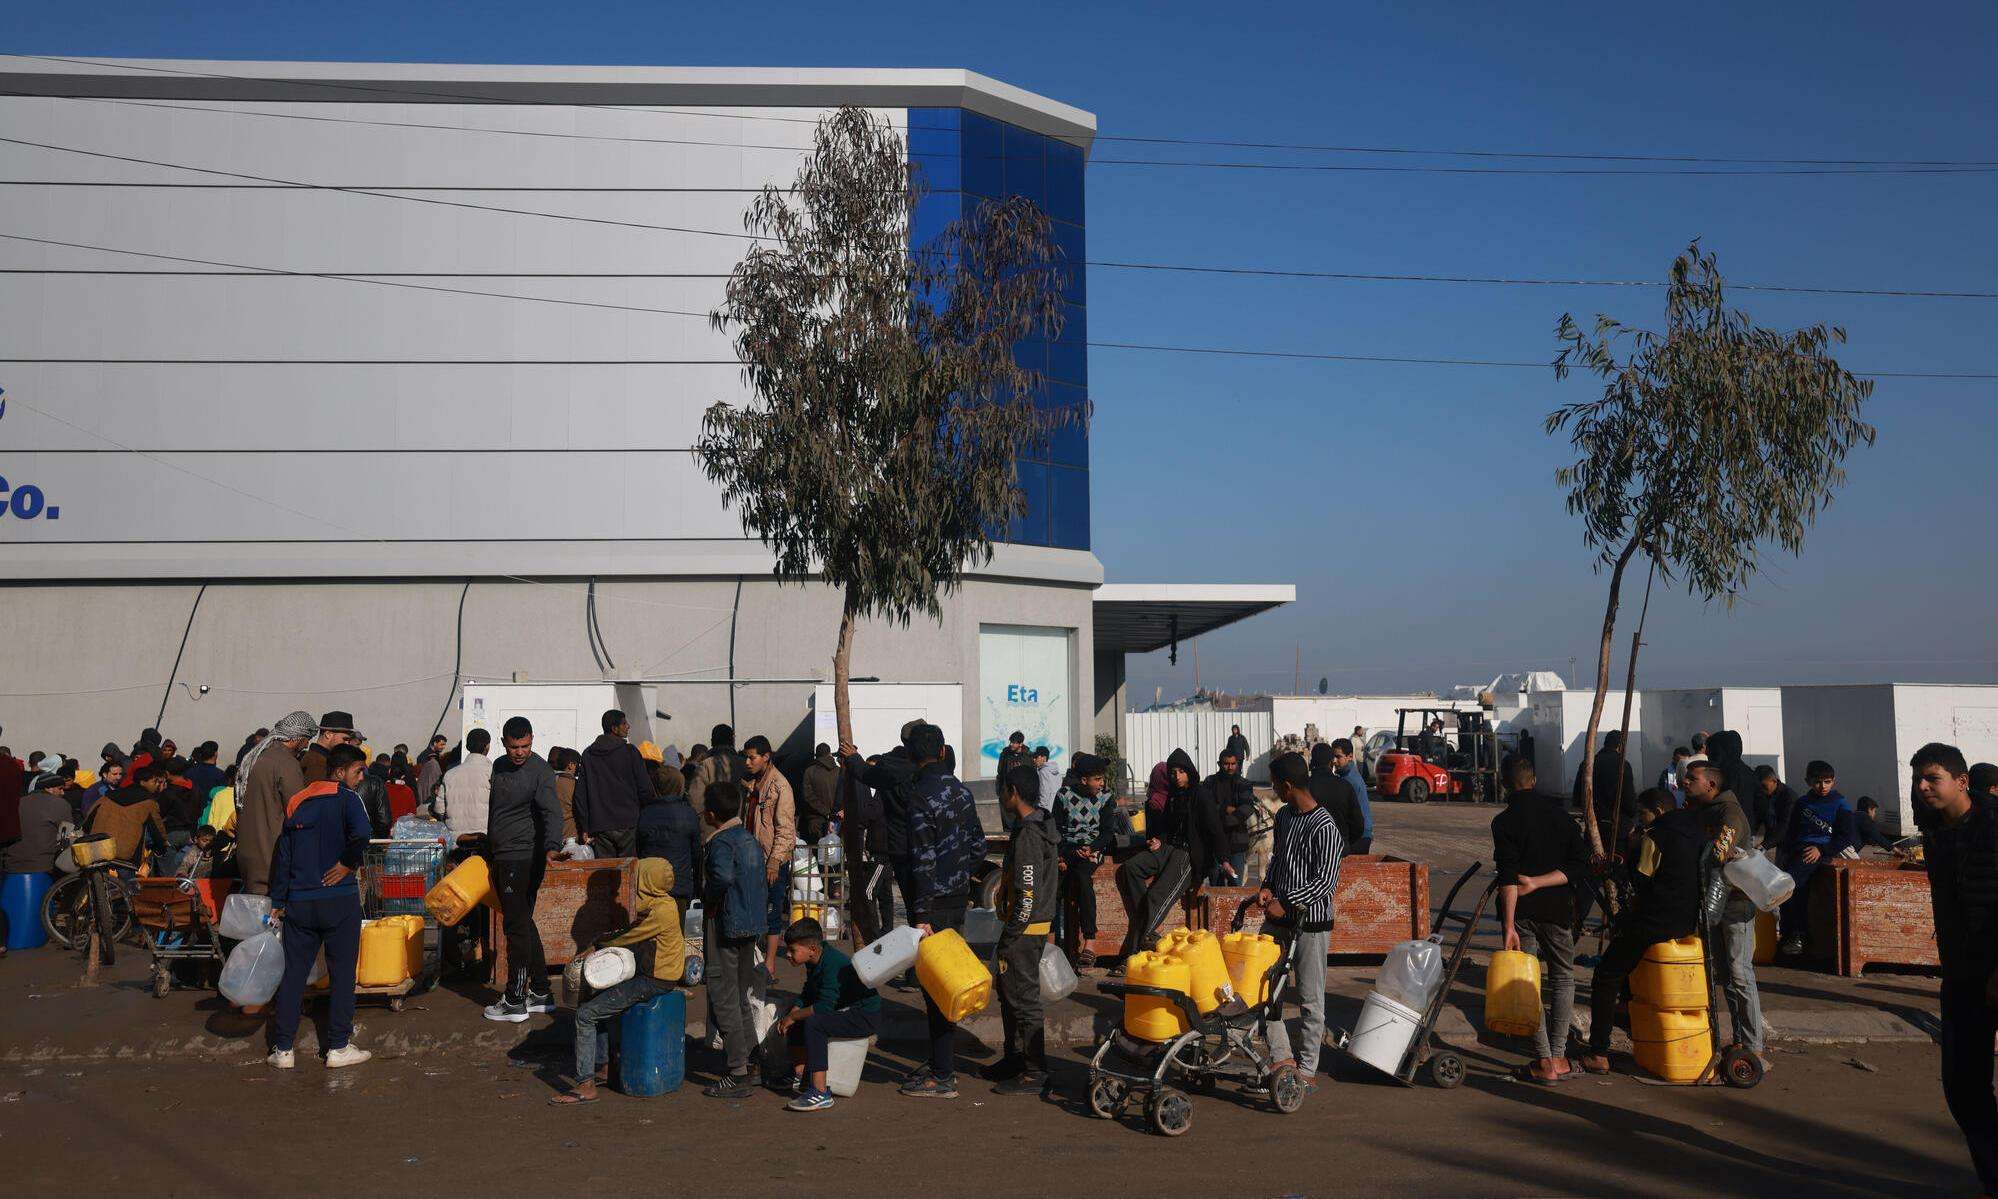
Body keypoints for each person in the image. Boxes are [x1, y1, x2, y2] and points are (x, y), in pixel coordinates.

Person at [1911, 742, 1998, 1194]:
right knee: (1962, 1086)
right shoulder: (1936, 831)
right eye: (1918, 779)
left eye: (1932, 778)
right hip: (1962, 974)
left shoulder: (1993, 824)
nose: (1923, 787)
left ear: (1962, 781)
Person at [1576, 791, 1706, 1076]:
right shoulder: (1696, 831)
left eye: (1643, 813)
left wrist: (1615, 870)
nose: (1640, 819)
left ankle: (1598, 1051)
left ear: (1658, 811)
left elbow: (1640, 881)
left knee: (1607, 974)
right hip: (1685, 921)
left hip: (1654, 920)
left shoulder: (1655, 837)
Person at [267, 743, 373, 1070]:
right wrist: (346, 863)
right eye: (358, 771)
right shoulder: (347, 799)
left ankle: (283, 1049)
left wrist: (278, 901)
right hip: (338, 900)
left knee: (293, 974)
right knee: (342, 973)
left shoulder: (298, 801)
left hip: (299, 901)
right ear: (339, 772)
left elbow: (282, 856)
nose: (360, 778)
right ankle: (338, 1047)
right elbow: (364, 834)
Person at [549, 857, 685, 1106]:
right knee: (594, 998)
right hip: (651, 972)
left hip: (655, 979)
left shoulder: (661, 911)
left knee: (585, 1015)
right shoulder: (661, 902)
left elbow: (629, 936)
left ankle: (585, 1085)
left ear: (646, 881)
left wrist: (596, 945)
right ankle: (603, 1066)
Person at [1490, 755, 1587, 1084]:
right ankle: (1559, 1057)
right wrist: (1542, 881)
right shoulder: (1561, 818)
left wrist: (1507, 925)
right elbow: (1580, 864)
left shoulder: (1504, 823)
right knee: (1563, 979)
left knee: (1528, 984)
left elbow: (1507, 879)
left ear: (1505, 783)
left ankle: (1544, 1060)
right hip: (1559, 911)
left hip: (1523, 915)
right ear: (1534, 780)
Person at [900, 722, 985, 1099]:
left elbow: (922, 859)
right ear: (942, 750)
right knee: (946, 981)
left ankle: (942, 1073)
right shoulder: (961, 791)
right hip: (957, 899)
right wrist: (962, 876)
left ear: (912, 756)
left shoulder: (919, 795)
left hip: (931, 905)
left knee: (935, 987)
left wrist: (920, 914)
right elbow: (979, 846)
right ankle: (941, 1064)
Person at [1258, 752, 1343, 1091]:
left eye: (1275, 783)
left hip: (1311, 925)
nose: (1273, 788)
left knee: (1309, 1000)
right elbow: (1278, 860)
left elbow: (1325, 884)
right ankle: (1282, 1060)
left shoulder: (1326, 827)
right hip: (1277, 921)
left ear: (1288, 785)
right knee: (1265, 990)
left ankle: (1307, 1071)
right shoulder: (1285, 818)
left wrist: (1288, 903)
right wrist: (1267, 888)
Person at [1682, 761, 1768, 1070]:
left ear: (1711, 785)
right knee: (1726, 974)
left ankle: (1754, 1046)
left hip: (1736, 903)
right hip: (1714, 904)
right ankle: (1741, 1039)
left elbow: (1717, 853)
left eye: (1692, 778)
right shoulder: (1702, 810)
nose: (1685, 782)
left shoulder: (1728, 813)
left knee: (1740, 972)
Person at [482, 717, 563, 1023]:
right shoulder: (500, 765)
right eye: (514, 746)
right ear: (504, 742)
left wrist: (553, 845)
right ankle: (541, 992)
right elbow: (495, 809)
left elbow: (551, 811)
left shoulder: (540, 771)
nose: (519, 752)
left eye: (525, 746)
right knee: (522, 922)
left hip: (524, 856)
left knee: (515, 926)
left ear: (532, 740)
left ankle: (515, 999)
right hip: (502, 853)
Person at [985, 763, 1059, 1095]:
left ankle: (1034, 1069)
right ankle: (1015, 1058)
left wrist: (1013, 933)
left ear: (1013, 792)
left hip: (1025, 929)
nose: (1001, 796)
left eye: (1003, 790)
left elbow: (1028, 892)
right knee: (1009, 992)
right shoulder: (1033, 825)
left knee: (1024, 997)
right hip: (1027, 925)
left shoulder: (1030, 833)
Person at [701, 780, 767, 1100]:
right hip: (750, 925)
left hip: (725, 924)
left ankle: (738, 1071)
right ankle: (751, 1059)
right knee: (739, 994)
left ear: (710, 814)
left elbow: (722, 878)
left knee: (724, 995)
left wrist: (710, 898)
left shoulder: (721, 843)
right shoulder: (749, 839)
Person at [774, 915, 881, 1112]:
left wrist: (794, 1016)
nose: (787, 954)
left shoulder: (833, 964)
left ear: (812, 949)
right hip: (846, 1009)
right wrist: (793, 1012)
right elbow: (809, 992)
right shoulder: (814, 959)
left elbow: (824, 1007)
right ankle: (799, 1075)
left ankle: (820, 1091)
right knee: (797, 1016)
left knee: (815, 1023)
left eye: (792, 950)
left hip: (864, 1015)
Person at [1117, 748, 1206, 957]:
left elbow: (1202, 830)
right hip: (1163, 848)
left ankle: (1134, 947)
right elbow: (1160, 830)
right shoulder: (1161, 800)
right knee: (1136, 876)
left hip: (1180, 853)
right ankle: (1146, 920)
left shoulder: (1188, 796)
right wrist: (1157, 839)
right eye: (1171, 774)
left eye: (1178, 773)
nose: (1175, 778)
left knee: (1155, 897)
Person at [1776, 759, 1856, 957]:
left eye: (1827, 782)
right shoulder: (1802, 803)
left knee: (1791, 885)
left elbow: (1846, 836)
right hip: (1798, 852)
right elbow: (1792, 831)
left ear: (1833, 781)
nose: (1823, 787)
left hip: (1821, 852)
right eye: (1818, 782)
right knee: (1785, 889)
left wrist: (1822, 849)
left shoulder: (1840, 803)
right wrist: (1785, 853)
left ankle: (1797, 935)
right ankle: (1790, 935)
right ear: (1808, 781)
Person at [237, 714, 317, 895]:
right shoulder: (286, 763)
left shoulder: (254, 757)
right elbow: (297, 810)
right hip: (271, 853)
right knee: (268, 918)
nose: (306, 745)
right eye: (307, 740)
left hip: (247, 852)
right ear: (298, 738)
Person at [740, 734, 799, 969]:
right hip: (751, 857)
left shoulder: (780, 786)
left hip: (770, 861)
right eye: (746, 758)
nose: (747, 762)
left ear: (766, 757)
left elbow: (786, 829)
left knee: (772, 912)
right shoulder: (753, 783)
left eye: (751, 758)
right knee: (753, 909)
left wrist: (774, 861)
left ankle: (771, 963)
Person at [2, 768, 75, 953]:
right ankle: (64, 917)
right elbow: (68, 837)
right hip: (42, 866)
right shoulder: (60, 805)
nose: (63, 792)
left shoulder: (16, 802)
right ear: (50, 789)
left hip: (11, 866)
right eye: (60, 788)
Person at [1052, 753, 1114, 968]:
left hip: (1092, 851)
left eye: (1102, 779)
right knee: (1054, 887)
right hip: (1067, 849)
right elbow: (1056, 829)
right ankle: (1050, 943)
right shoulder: (1063, 795)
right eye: (1097, 779)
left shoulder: (1106, 798)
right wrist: (1065, 852)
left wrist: (1091, 848)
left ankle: (1090, 941)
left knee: (1082, 878)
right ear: (1084, 780)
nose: (1102, 783)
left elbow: (1107, 832)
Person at [571, 709, 656, 858]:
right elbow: (645, 788)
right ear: (614, 728)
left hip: (600, 825)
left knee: (605, 874)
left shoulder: (588, 754)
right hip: (629, 823)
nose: (628, 726)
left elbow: (580, 795)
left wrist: (585, 826)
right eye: (624, 724)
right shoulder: (630, 752)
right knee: (628, 872)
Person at [636, 746, 703, 910]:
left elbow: (639, 848)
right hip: (679, 886)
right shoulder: (689, 813)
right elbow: (696, 854)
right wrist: (697, 887)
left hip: (650, 886)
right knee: (676, 932)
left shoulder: (645, 813)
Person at [85, 763, 170, 867]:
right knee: (126, 882)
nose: (157, 785)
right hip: (125, 856)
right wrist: (162, 847)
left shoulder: (109, 796)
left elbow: (88, 819)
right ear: (143, 782)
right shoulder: (148, 803)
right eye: (154, 781)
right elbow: (158, 830)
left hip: (97, 849)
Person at [1207, 748, 1258, 883]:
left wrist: (1222, 819)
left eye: (1233, 764)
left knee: (1235, 885)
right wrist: (1226, 808)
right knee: (1216, 887)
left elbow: (1246, 809)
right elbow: (1207, 807)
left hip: (1237, 841)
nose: (1230, 767)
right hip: (1214, 843)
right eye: (1226, 764)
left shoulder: (1244, 784)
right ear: (1219, 764)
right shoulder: (1210, 783)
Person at [436, 728, 493, 846]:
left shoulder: (450, 774)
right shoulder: (493, 773)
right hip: (484, 840)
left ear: (467, 747)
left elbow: (439, 809)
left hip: (456, 842)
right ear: (487, 747)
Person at [1308, 743, 1366, 853]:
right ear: (1332, 761)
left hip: (1311, 851)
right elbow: (1358, 825)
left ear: (1312, 761)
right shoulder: (1345, 786)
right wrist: (1344, 842)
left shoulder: (1305, 788)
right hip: (1339, 851)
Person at [685, 723, 746, 817]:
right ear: (732, 741)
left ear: (712, 741)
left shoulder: (705, 765)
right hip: (740, 824)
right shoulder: (745, 764)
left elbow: (695, 801)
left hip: (713, 825)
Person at [1329, 738, 1373, 854]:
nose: (1334, 761)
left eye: (1338, 757)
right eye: (1333, 756)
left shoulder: (1350, 781)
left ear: (1349, 756)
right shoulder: (1346, 776)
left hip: (1359, 836)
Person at [300, 711, 360, 784]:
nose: (347, 743)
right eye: (345, 739)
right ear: (328, 734)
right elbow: (317, 794)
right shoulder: (317, 762)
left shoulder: (322, 759)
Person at [800, 743, 840, 847]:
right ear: (830, 754)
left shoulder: (809, 771)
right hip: (837, 819)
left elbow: (807, 796)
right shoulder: (839, 771)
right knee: (835, 853)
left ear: (816, 756)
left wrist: (825, 811)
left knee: (818, 853)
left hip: (815, 820)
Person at [1756, 766, 1797, 847]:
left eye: (1764, 786)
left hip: (1790, 843)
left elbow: (1785, 826)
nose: (1761, 789)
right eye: (1759, 787)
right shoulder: (1763, 795)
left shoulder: (1789, 797)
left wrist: (1764, 845)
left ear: (1774, 781)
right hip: (1774, 841)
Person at [550, 747, 579, 842]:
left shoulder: (548, 781)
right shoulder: (574, 784)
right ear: (571, 765)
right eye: (578, 764)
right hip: (570, 837)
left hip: (551, 835)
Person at [416, 736, 448, 812]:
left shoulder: (436, 755)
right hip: (428, 790)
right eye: (441, 744)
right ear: (434, 743)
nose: (443, 747)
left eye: (444, 745)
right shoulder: (425, 756)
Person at [1033, 746, 1061, 813]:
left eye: (1036, 757)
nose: (1034, 759)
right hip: (1055, 807)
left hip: (1045, 810)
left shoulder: (1043, 771)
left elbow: (1044, 792)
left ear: (1044, 758)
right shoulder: (1056, 771)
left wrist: (1040, 808)